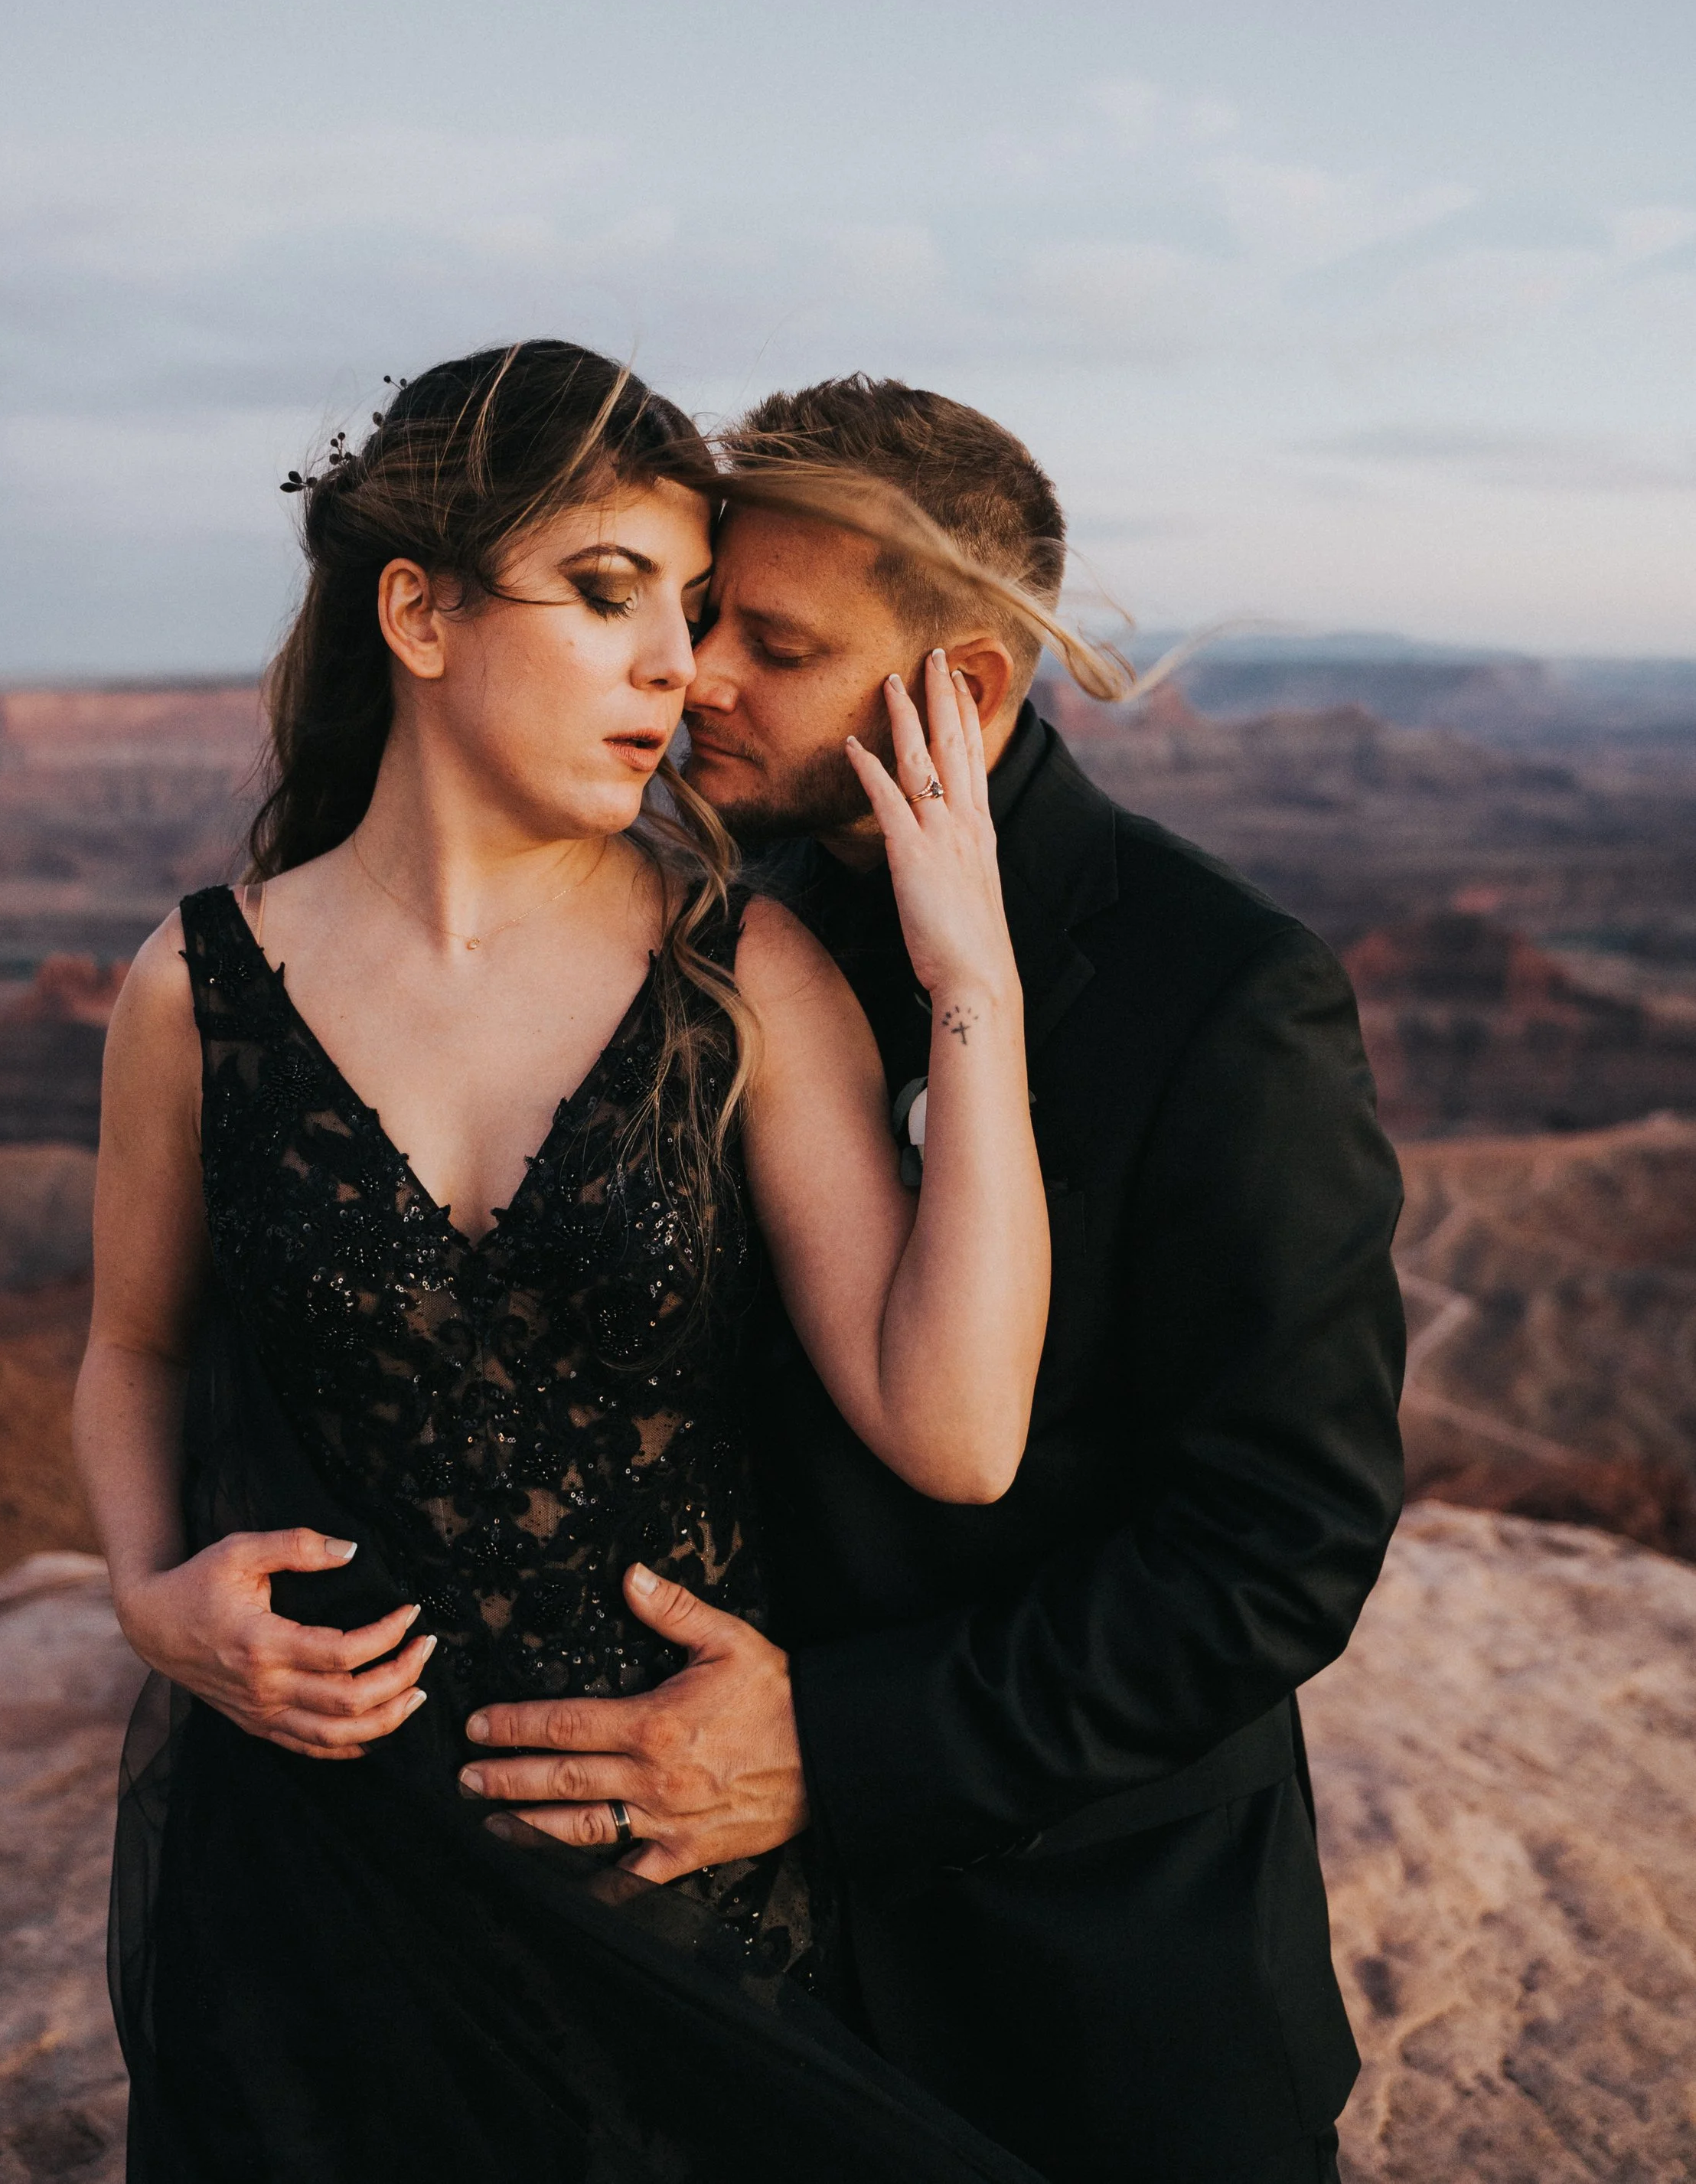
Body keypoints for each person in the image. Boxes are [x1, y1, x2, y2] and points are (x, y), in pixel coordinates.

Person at [75, 341, 1059, 2184]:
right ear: (418, 614)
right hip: (303, 1893)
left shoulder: (738, 982)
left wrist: (969, 984)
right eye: (610, 598)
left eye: (688, 613)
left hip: (664, 1904)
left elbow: (956, 1431)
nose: (676, 669)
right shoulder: (193, 988)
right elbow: (130, 1348)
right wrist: (148, 1599)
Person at [459, 375, 1408, 2184]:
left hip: (1098, 1999)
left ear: (957, 687)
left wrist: (830, 1742)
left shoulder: (1211, 992)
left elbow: (1274, 1546)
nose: (696, 674)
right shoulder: (708, 923)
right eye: (694, 613)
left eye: (774, 644)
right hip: (728, 1985)